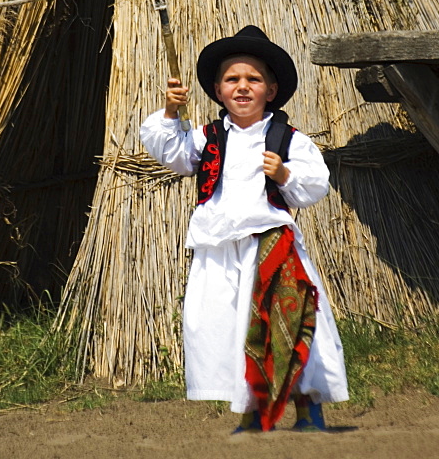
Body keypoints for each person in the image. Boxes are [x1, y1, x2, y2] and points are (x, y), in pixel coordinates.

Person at [140, 25, 348, 433]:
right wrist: (169, 112)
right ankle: (251, 412)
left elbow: (316, 184)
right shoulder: (207, 137)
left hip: (271, 247)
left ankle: (309, 409)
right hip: (219, 250)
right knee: (229, 327)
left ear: (271, 90)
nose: (242, 87)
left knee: (289, 324)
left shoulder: (289, 139)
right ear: (218, 91)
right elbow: (173, 154)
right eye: (232, 79)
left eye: (253, 79)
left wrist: (285, 174)